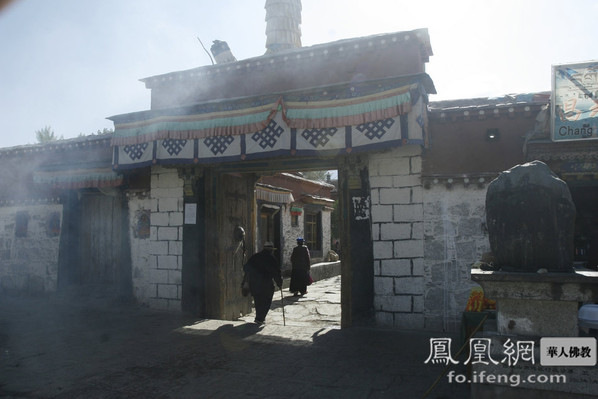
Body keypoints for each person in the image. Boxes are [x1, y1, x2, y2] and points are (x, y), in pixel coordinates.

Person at [244, 241, 282, 325]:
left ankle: (259, 317)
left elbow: (246, 268)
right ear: (271, 250)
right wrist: (279, 283)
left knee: (258, 301)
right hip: (266, 284)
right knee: (267, 301)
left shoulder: (255, 257)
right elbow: (276, 273)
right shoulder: (272, 259)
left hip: (254, 283)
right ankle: (260, 318)